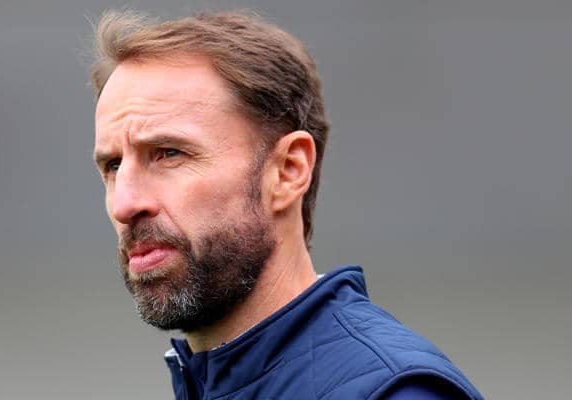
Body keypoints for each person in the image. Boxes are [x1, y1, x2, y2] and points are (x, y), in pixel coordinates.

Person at [89, 9, 483, 400]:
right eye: (113, 165)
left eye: (169, 153)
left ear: (288, 171)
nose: (124, 204)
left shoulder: (394, 393)